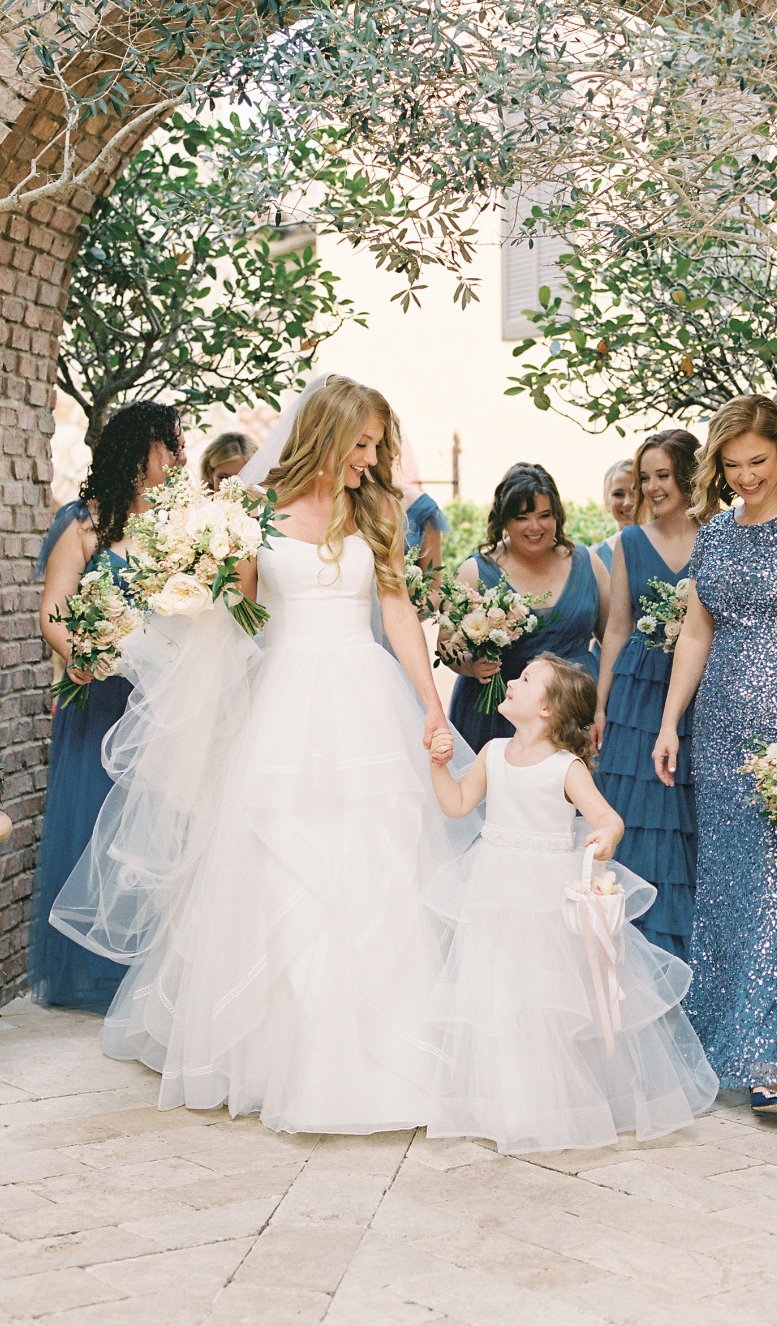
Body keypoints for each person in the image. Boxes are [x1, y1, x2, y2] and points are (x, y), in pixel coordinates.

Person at [52, 375, 477, 1131]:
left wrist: (430, 703)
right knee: (280, 866)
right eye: (363, 443)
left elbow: (396, 609)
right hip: (281, 706)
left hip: (362, 704)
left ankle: (383, 1057)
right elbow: (235, 621)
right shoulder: (251, 516)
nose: (372, 458)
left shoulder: (376, 510)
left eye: (379, 445)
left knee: (374, 865)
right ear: (326, 434)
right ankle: (277, 1056)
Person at [652, 394, 777, 1116]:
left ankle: (767, 1059)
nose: (745, 477)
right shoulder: (712, 535)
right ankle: (743, 1044)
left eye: (758, 463)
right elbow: (698, 636)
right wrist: (671, 722)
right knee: (734, 894)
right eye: (733, 465)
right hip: (720, 732)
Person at [425, 653, 718, 1154]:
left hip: (545, 896)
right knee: (499, 994)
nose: (512, 682)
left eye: (525, 680)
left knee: (545, 1001)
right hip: (495, 890)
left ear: (548, 709)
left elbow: (608, 819)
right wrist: (437, 766)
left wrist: (603, 839)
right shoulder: (493, 753)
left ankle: (549, 1104)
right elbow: (455, 805)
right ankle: (504, 1103)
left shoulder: (566, 767)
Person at [29, 401, 186, 1012]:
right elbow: (53, 609)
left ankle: (147, 968)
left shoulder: (180, 528)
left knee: (155, 827)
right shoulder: (83, 525)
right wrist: (81, 649)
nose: (176, 460)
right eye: (167, 447)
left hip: (165, 700)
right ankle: (90, 974)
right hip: (102, 697)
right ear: (134, 451)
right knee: (96, 818)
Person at [594, 430, 703, 961]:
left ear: (688, 473)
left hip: (702, 694)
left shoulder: (719, 535)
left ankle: (690, 960)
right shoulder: (629, 542)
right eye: (645, 478)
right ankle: (634, 958)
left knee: (689, 821)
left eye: (663, 475)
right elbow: (616, 628)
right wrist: (601, 705)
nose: (653, 487)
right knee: (639, 819)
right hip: (638, 700)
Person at [448, 463, 608, 753]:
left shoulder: (588, 563)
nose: (535, 527)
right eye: (522, 517)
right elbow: (446, 647)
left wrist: (603, 704)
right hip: (497, 717)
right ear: (504, 521)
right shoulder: (475, 571)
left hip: (575, 714)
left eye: (545, 515)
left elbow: (616, 639)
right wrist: (472, 666)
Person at [594, 458, 636, 574]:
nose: (627, 502)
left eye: (635, 493)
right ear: (607, 501)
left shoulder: (667, 548)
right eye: (618, 494)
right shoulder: (595, 556)